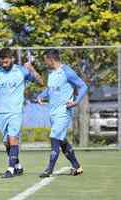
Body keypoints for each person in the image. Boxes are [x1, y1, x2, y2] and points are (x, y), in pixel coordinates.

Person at [0, 48, 43, 178]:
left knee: (13, 138)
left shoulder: (21, 71)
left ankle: (10, 169)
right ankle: (17, 165)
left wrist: (32, 69)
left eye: (6, 62)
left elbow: (40, 82)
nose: (4, 64)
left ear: (12, 59)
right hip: (2, 112)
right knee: (7, 142)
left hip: (16, 111)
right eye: (2, 62)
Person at [36, 49, 88, 178]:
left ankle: (49, 169)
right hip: (53, 112)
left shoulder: (67, 71)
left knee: (54, 137)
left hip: (63, 112)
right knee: (61, 140)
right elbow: (50, 89)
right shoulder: (52, 73)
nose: (45, 63)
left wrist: (76, 102)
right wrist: (41, 95)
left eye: (45, 60)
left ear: (50, 60)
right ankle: (77, 167)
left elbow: (83, 86)